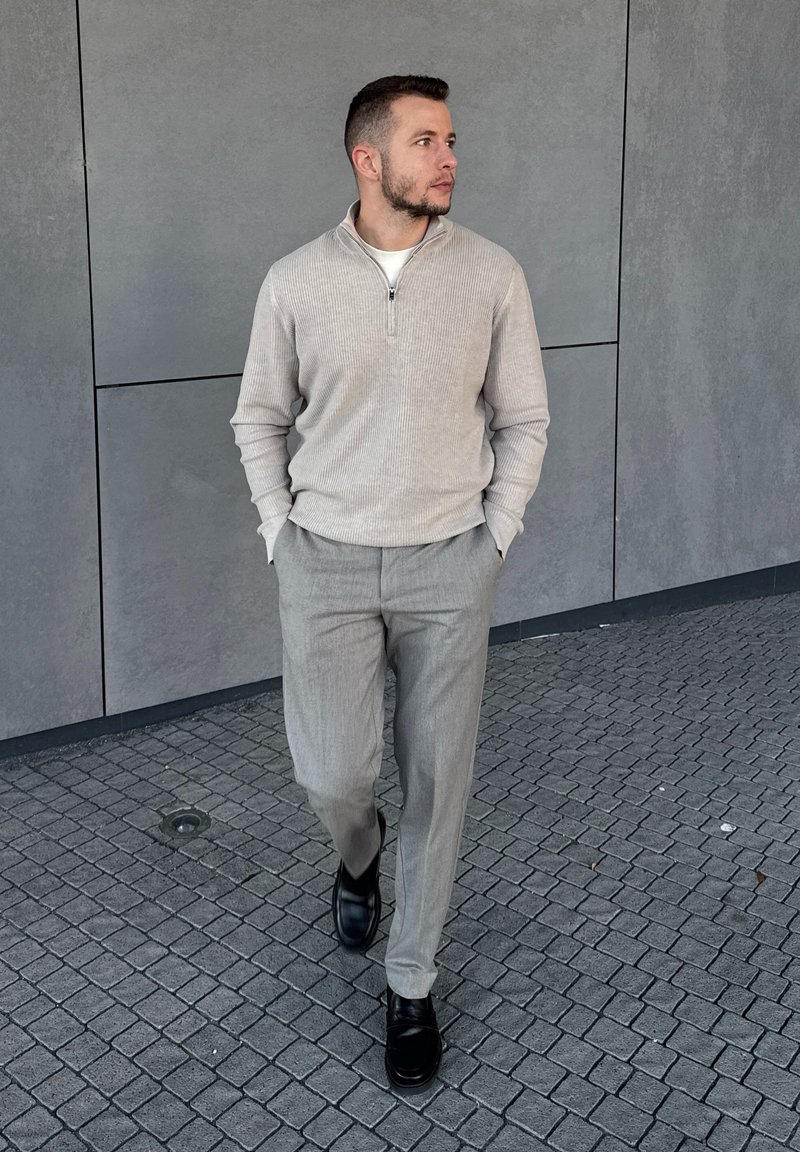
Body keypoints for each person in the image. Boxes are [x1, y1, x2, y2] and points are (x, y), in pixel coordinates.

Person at [230, 74, 549, 1093]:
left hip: (448, 563)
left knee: (438, 782)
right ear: (368, 160)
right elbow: (258, 419)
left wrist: (491, 536)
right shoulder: (293, 282)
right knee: (333, 774)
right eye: (425, 141)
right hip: (322, 558)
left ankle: (410, 984)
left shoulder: (491, 274)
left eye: (450, 138)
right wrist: (281, 533)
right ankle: (354, 858)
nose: (448, 157)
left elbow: (524, 419)